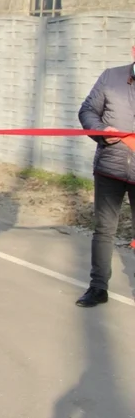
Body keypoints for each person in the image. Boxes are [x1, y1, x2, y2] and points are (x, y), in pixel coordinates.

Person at [75, 44, 135, 308]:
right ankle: (98, 287)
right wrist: (99, 130)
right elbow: (87, 111)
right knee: (104, 229)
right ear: (133, 50)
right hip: (110, 167)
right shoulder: (111, 77)